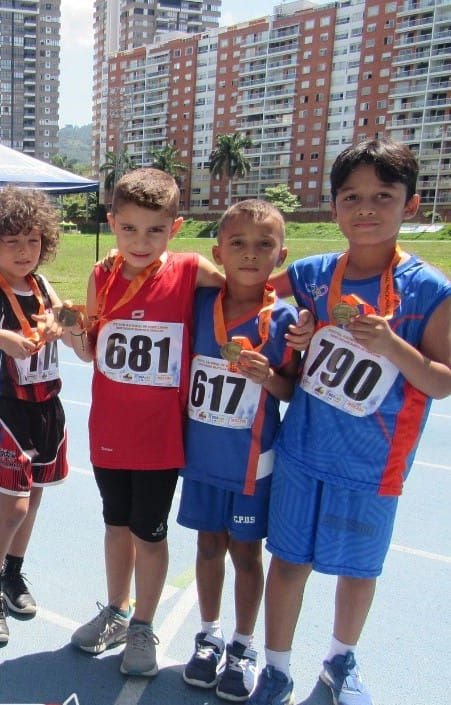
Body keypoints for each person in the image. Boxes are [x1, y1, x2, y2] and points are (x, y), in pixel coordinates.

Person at [246, 140, 451, 705]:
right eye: (352, 197)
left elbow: (441, 381)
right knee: (288, 562)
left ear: (410, 204)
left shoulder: (429, 290)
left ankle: (340, 661)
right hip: (303, 451)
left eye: (383, 196)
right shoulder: (311, 274)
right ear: (334, 205)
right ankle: (276, 669)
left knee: (358, 571)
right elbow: (251, 290)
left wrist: (392, 345)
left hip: (373, 464)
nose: (366, 209)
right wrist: (290, 325)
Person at [69, 168, 227, 676]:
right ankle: (117, 611)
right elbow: (91, 349)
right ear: (112, 222)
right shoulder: (101, 275)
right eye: (130, 228)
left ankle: (143, 625)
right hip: (109, 432)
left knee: (149, 535)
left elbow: (249, 288)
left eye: (155, 230)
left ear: (175, 228)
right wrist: (70, 333)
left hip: (159, 439)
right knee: (115, 526)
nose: (141, 241)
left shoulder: (190, 269)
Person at [0, 186, 91, 643]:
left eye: (33, 240)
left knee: (36, 498)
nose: (24, 251)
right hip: (8, 409)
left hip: (48, 406)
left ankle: (12, 573)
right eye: (12, 242)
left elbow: (80, 345)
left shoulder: (43, 286)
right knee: (13, 507)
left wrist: (68, 324)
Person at [177, 200, 300, 702]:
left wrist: (268, 377)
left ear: (281, 255)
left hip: (252, 462)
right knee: (208, 546)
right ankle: (208, 636)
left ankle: (243, 645)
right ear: (218, 253)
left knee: (246, 554)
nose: (250, 254)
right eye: (238, 244)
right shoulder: (199, 304)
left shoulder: (286, 318)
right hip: (202, 457)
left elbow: (291, 390)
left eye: (264, 245)